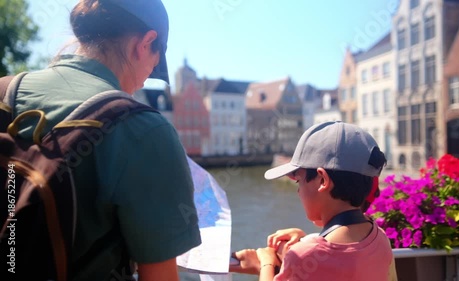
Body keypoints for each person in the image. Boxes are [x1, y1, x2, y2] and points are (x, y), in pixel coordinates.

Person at [8, 0, 201, 280]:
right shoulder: (145, 129)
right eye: (154, 66)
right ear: (146, 43)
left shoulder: (5, 91)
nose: (146, 81)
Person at [232, 121, 393, 280]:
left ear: (323, 180)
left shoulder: (303, 256)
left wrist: (266, 263)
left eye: (298, 181)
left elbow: (322, 258)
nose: (298, 191)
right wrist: (307, 240)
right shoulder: (380, 238)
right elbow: (341, 258)